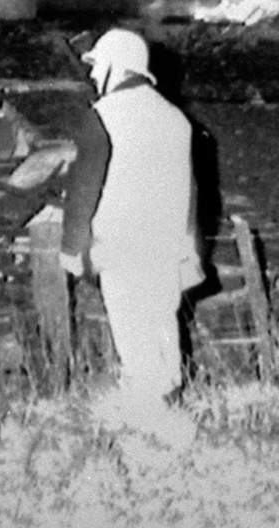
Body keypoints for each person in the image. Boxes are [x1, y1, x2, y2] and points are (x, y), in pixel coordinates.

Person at [60, 28, 203, 406]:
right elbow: (190, 190)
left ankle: (144, 409)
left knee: (131, 326)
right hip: (166, 244)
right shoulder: (177, 119)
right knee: (161, 324)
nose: (92, 76)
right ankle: (169, 397)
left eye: (97, 66)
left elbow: (84, 186)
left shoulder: (103, 117)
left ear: (116, 66)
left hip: (121, 244)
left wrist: (72, 247)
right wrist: (190, 250)